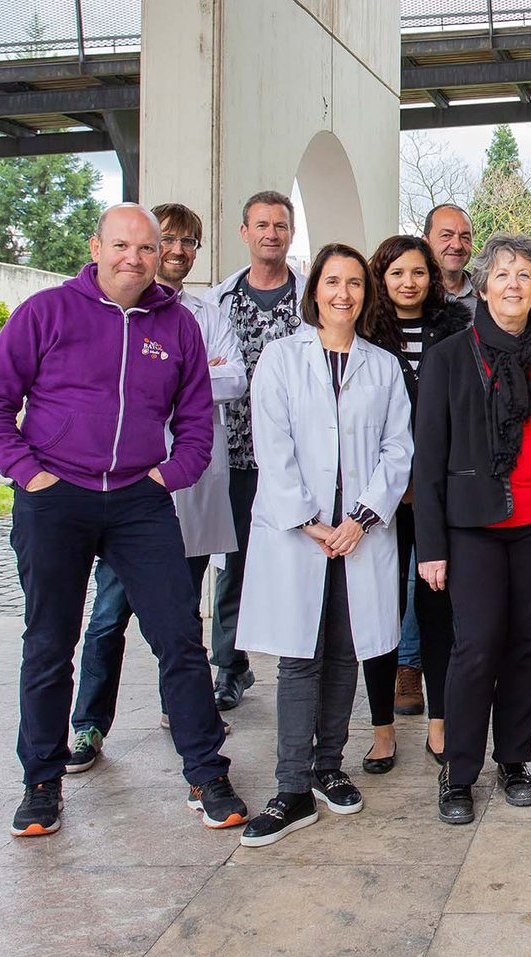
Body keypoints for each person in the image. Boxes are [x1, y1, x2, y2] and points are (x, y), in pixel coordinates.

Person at [0, 203, 248, 837]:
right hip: (55, 498)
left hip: (138, 502)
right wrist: (30, 474)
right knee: (48, 644)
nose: (135, 258)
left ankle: (206, 772)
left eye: (146, 249)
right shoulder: (46, 313)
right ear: (96, 247)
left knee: (179, 638)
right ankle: (42, 782)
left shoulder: (177, 326)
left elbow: (199, 421)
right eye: (122, 245)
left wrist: (167, 476)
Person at [235, 243, 413, 847]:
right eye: (332, 282)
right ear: (314, 292)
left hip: (357, 534)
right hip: (301, 535)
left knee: (346, 650)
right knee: (298, 657)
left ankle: (328, 766)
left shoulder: (383, 366)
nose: (343, 293)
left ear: (367, 294)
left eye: (355, 284)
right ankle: (290, 788)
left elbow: (397, 450)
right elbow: (273, 448)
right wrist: (312, 520)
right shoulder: (281, 360)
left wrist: (361, 519)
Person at [66, 202, 246, 773]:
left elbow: (232, 377)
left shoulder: (205, 312)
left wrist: (176, 378)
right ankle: (88, 723)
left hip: (183, 483)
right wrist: (184, 378)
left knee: (180, 615)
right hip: (122, 489)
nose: (175, 250)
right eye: (165, 239)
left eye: (188, 241)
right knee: (109, 613)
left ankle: (185, 716)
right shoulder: (104, 312)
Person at [417, 233, 531, 825]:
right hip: (473, 526)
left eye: (526, 275)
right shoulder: (451, 355)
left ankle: (514, 760)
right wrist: (431, 546)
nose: (514, 283)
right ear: (482, 285)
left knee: (527, 647)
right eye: (503, 273)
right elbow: (427, 459)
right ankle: (459, 772)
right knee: (477, 646)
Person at [352, 235, 472, 773]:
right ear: (382, 276)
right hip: (381, 496)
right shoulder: (362, 335)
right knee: (379, 611)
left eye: (418, 272)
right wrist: (392, 483)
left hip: (438, 494)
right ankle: (381, 731)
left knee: (437, 608)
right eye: (397, 272)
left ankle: (441, 725)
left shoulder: (457, 331)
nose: (408, 282)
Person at [208, 190, 306, 713]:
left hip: (299, 458)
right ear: (244, 232)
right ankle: (230, 666)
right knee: (236, 563)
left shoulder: (309, 298)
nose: (272, 234)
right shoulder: (220, 301)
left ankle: (303, 657)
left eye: (281, 225)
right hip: (241, 457)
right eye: (262, 225)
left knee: (302, 559)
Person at [425, 203, 478, 309]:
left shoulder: (487, 294)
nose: (457, 245)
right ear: (425, 242)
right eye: (446, 235)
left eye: (465, 237)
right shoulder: (413, 294)